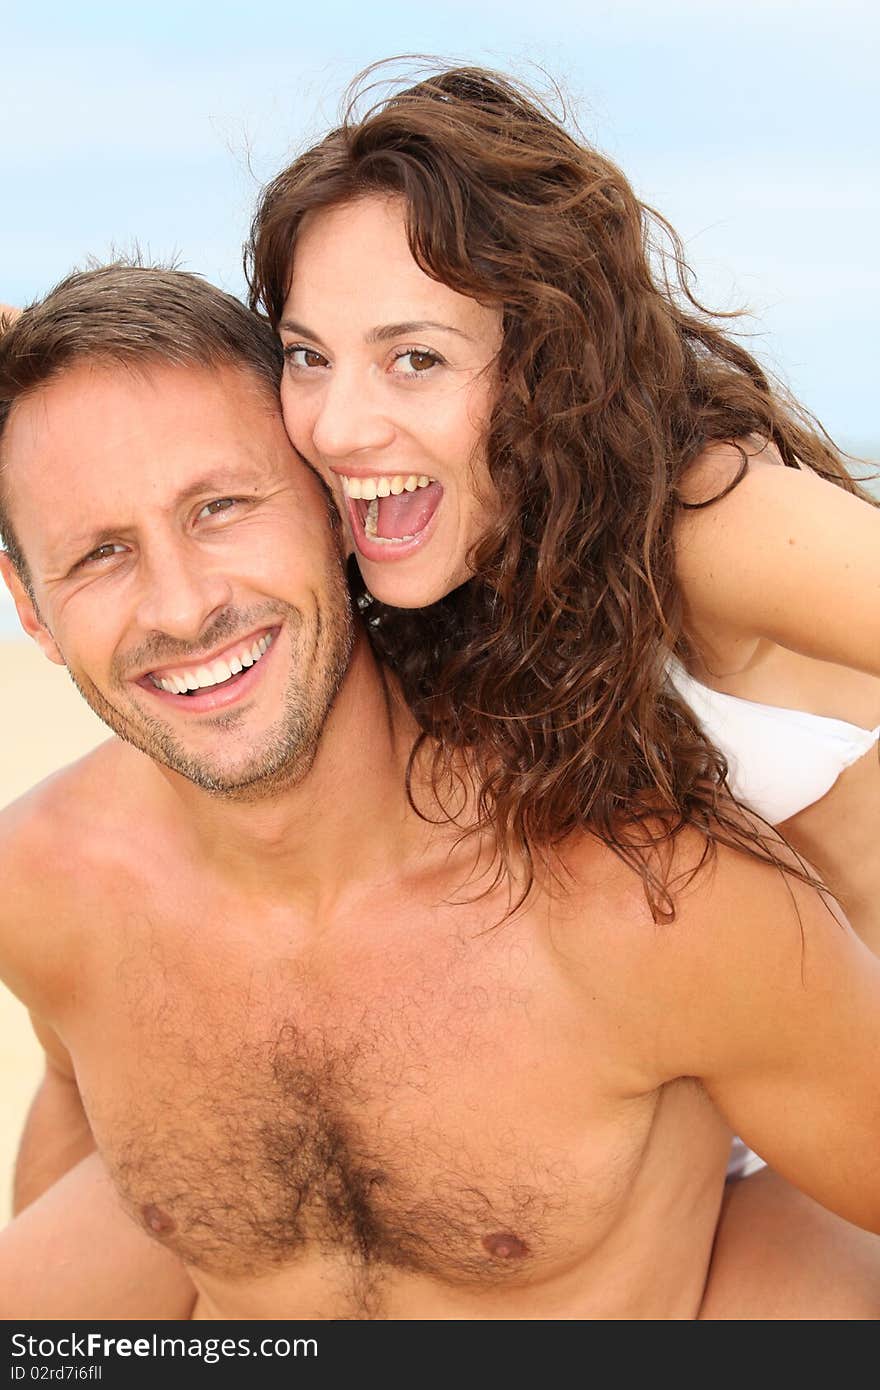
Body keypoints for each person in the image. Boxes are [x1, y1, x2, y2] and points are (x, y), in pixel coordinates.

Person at [0, 264, 879, 1322]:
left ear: (338, 511)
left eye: (220, 507)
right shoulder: (46, 884)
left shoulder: (645, 899)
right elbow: (72, 1084)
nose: (184, 607)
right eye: (100, 555)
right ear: (32, 611)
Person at [246, 65, 880, 961]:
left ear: (551, 365)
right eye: (308, 355)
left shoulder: (704, 524)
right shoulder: (467, 554)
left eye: (416, 359)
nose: (339, 426)